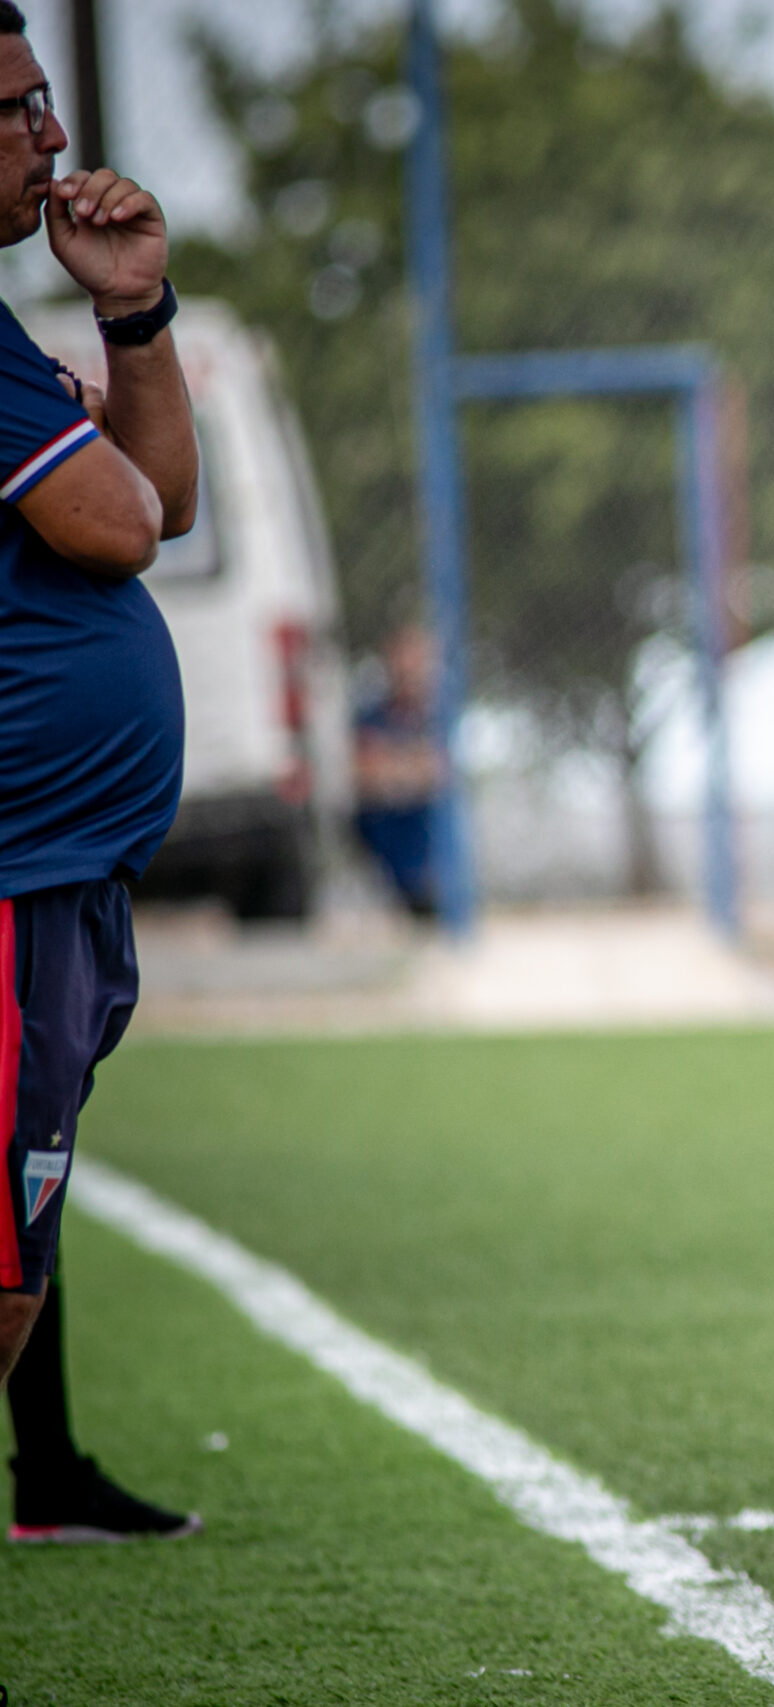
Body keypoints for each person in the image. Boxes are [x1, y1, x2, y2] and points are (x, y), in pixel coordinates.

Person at [0, 2, 201, 1541]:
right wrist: (93, 451)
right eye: (17, 113)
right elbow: (121, 523)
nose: (53, 138)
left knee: (20, 1223)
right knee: (4, 1242)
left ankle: (47, 1478)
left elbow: (161, 497)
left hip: (62, 870)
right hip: (18, 877)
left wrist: (131, 321)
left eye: (47, 100)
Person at [352, 623, 444, 920]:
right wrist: (412, 768)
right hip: (387, 835)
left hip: (426, 837)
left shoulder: (437, 716)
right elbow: (364, 773)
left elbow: (440, 771)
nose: (411, 668)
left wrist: (395, 766)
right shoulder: (372, 715)